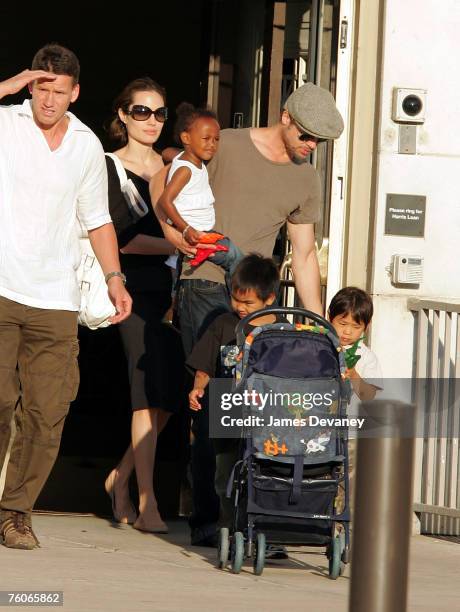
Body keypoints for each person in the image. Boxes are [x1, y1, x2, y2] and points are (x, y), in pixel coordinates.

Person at [152, 82, 344, 546]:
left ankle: (251, 517)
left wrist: (318, 328)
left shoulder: (306, 177)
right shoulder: (225, 143)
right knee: (212, 404)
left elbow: (301, 254)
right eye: (306, 135)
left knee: (255, 409)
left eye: (319, 141)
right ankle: (207, 520)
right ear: (284, 118)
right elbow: (166, 176)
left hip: (259, 302)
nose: (310, 146)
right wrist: (176, 235)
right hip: (205, 285)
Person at [0, 44, 132, 550]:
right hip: (4, 289)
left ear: (75, 93)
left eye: (58, 91)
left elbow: (96, 219)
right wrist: (7, 88)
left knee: (47, 410)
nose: (48, 100)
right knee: (0, 399)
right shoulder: (9, 124)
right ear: (29, 87)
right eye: (40, 88)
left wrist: (115, 278)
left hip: (56, 300)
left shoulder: (85, 146)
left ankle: (16, 512)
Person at [103, 78, 182, 534]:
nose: (151, 121)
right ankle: (147, 502)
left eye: (159, 113)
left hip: (174, 290)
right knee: (144, 389)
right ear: (122, 115)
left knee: (169, 395)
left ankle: (120, 476)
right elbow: (121, 238)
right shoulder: (108, 167)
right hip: (130, 290)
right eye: (141, 112)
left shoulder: (175, 167)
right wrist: (179, 243)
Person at [187, 254, 282, 529]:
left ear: (269, 299)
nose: (239, 307)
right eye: (235, 299)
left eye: (248, 302)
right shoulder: (223, 324)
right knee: (224, 472)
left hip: (270, 415)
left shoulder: (283, 329)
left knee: (269, 473)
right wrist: (198, 388)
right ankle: (228, 526)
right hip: (228, 407)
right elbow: (205, 365)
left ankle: (267, 529)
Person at [157, 103, 242, 275]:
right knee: (236, 258)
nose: (212, 144)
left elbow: (167, 152)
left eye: (216, 139)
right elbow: (165, 201)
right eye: (206, 139)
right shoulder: (185, 170)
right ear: (186, 138)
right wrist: (186, 229)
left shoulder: (186, 158)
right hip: (197, 236)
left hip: (200, 234)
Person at [328, 286, 383, 401]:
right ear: (329, 317)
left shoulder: (367, 358)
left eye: (356, 326)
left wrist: (353, 374)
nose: (347, 332)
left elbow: (369, 396)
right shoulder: (321, 346)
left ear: (366, 326)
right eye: (342, 324)